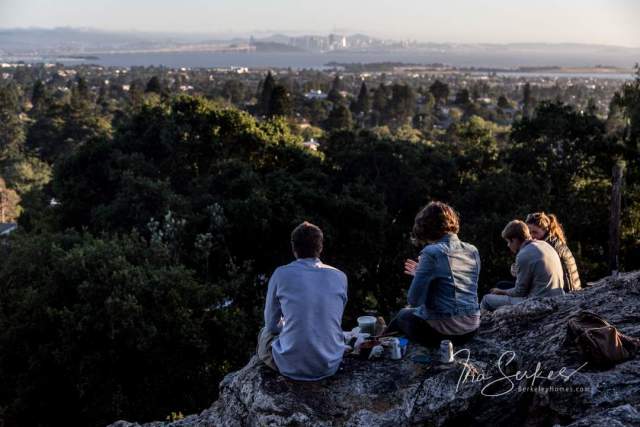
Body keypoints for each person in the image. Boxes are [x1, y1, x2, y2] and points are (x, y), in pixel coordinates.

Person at [257, 221, 348, 381]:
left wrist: (288, 325)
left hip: (290, 367)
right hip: (329, 364)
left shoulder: (280, 274)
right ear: (320, 247)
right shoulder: (339, 276)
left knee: (264, 333)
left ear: (294, 248)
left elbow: (271, 325)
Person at [384, 202, 481, 347]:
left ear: (425, 228)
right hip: (472, 328)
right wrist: (422, 273)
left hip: (446, 334)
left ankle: (379, 339)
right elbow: (454, 284)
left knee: (403, 315)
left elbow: (414, 300)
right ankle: (381, 334)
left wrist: (419, 277)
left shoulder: (432, 252)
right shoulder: (472, 250)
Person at [480, 220, 564, 312]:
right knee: (502, 285)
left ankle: (482, 325)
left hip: (539, 302)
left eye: (508, 242)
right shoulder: (544, 244)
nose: (508, 246)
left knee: (486, 300)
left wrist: (501, 292)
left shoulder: (523, 254)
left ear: (514, 240)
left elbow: (519, 292)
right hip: (558, 296)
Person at [525, 212, 581, 292]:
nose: (531, 236)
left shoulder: (548, 246)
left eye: (535, 232)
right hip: (567, 289)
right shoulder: (553, 241)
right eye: (529, 233)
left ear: (545, 230)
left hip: (567, 291)